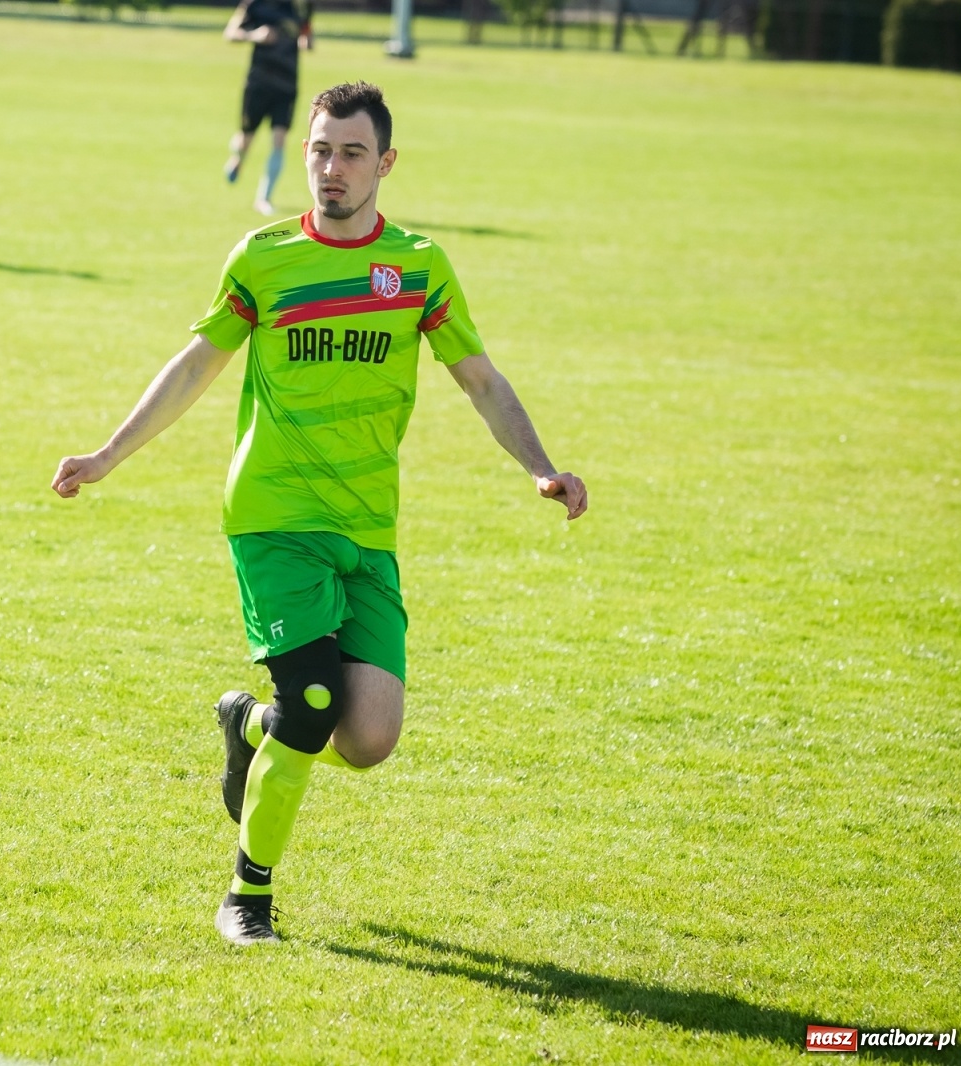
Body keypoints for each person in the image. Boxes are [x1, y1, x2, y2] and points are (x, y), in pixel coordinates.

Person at [52, 82, 588, 947]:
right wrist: (108, 455)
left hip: (367, 529)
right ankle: (247, 897)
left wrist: (540, 467)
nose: (330, 168)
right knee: (310, 701)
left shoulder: (418, 266)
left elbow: (481, 380)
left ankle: (249, 726)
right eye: (318, 150)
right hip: (273, 517)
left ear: (385, 163)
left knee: (368, 737)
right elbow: (196, 365)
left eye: (350, 153)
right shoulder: (264, 258)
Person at [223, 0, 313, 215]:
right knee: (245, 138)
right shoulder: (254, 4)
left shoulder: (301, 5)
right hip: (258, 83)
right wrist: (255, 35)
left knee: (279, 140)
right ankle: (238, 158)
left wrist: (307, 40)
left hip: (287, 84)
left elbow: (307, 34)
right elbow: (230, 33)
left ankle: (264, 198)